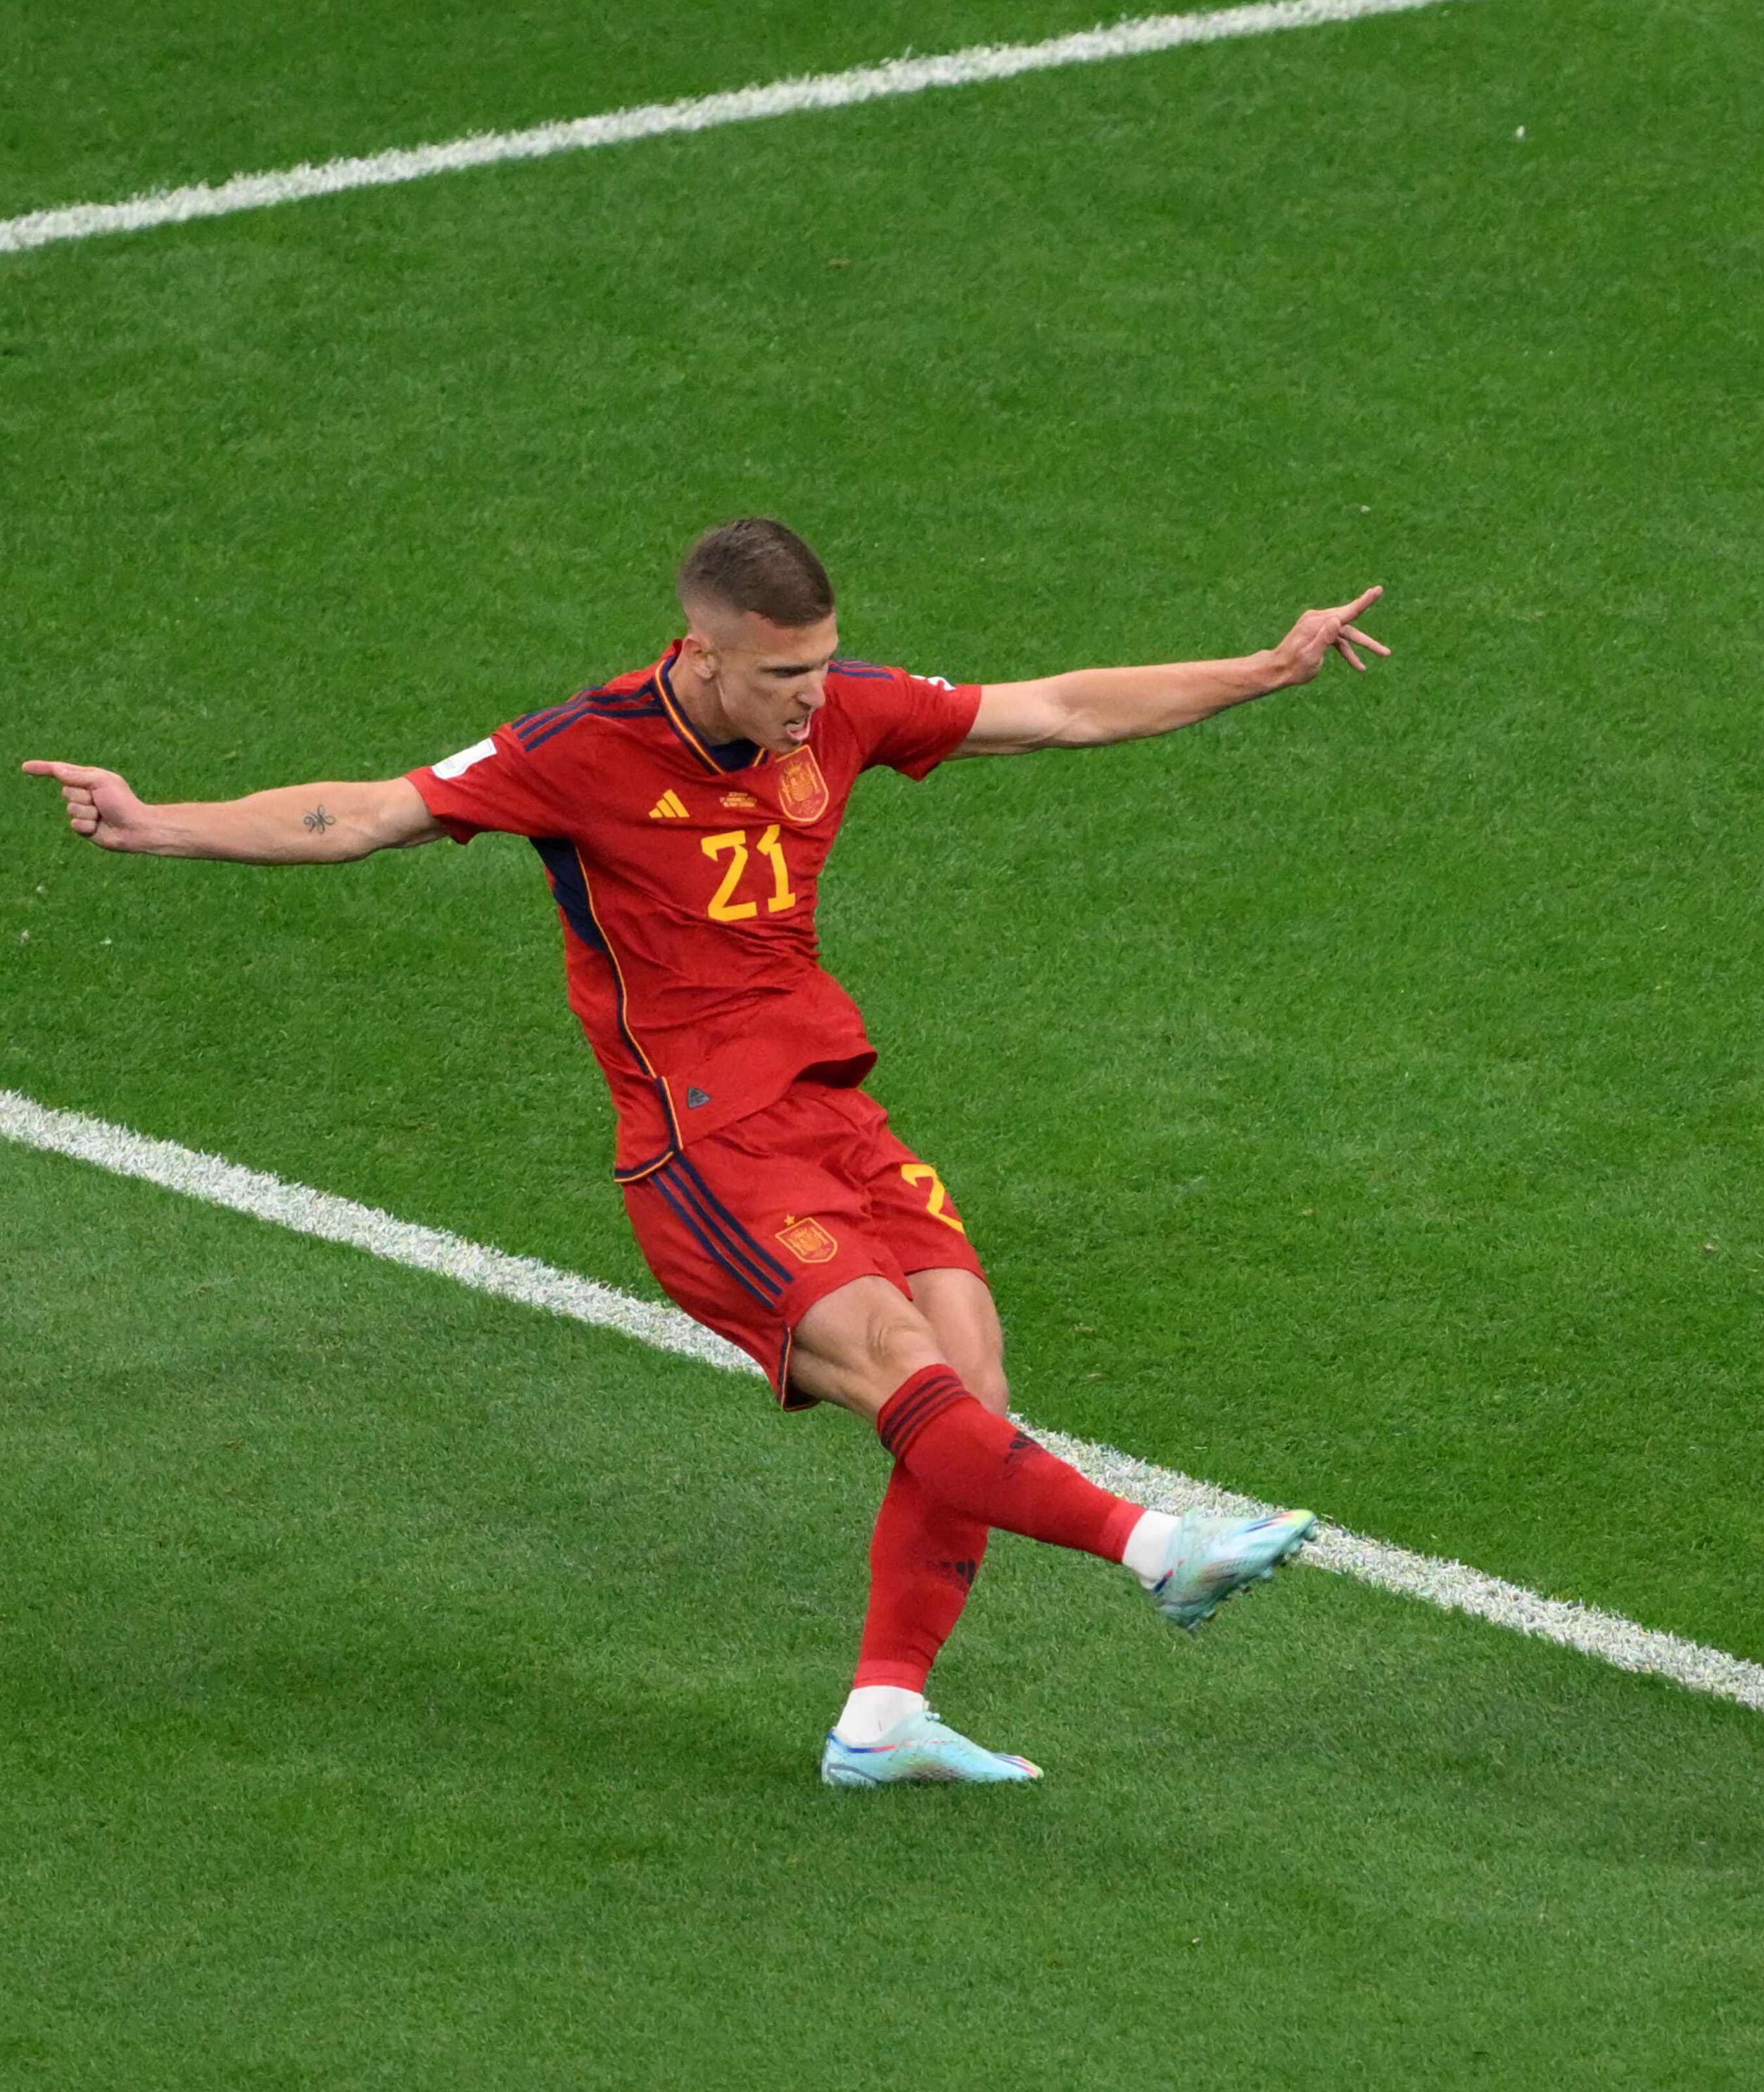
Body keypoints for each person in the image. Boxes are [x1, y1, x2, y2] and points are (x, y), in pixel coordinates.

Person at [26, 517, 1391, 1789]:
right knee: (903, 1371)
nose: (814, 693)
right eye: (784, 671)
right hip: (704, 1146)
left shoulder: (839, 707)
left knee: (971, 1367)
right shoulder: (578, 751)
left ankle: (881, 1716)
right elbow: (366, 813)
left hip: (832, 1108)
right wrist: (165, 822)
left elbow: (1056, 709)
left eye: (821, 661)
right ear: (703, 651)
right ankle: (1162, 1549)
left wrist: (1268, 667)